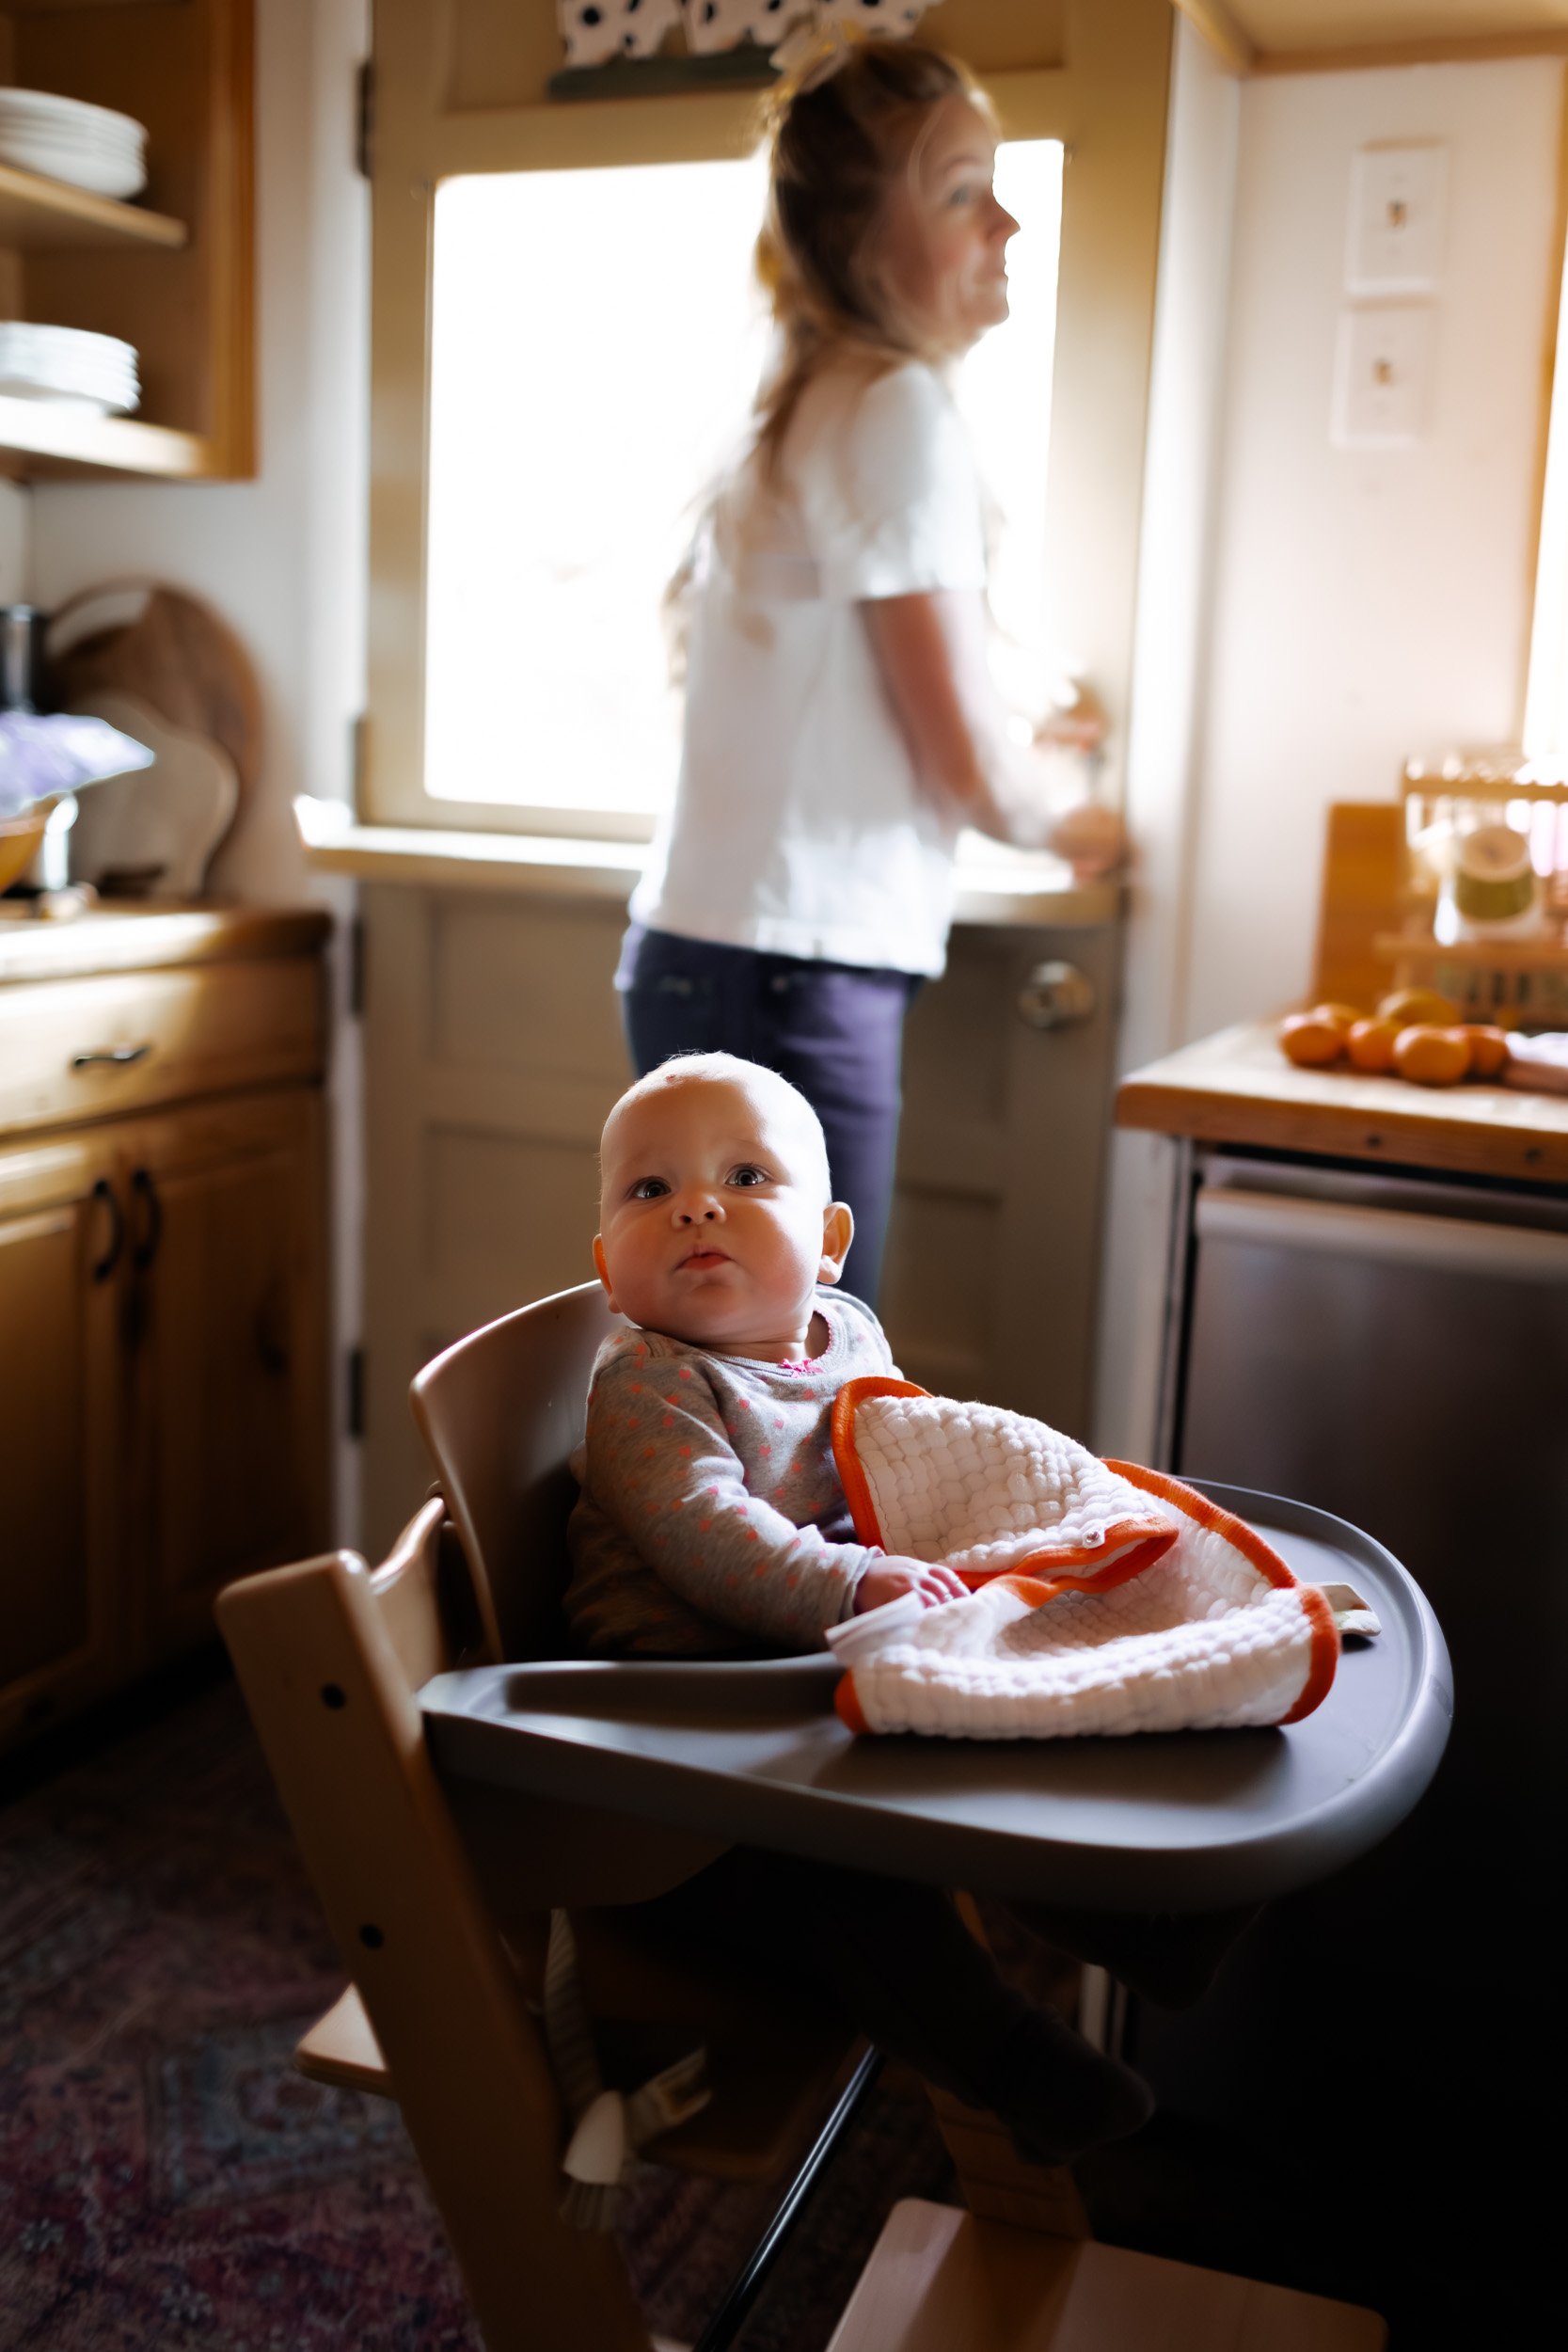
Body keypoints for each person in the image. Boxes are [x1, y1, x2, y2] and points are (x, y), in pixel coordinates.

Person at [564, 1051, 1154, 2166]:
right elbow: (706, 1533)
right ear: (608, 1266)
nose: (696, 1204)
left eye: (745, 1176)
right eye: (651, 1191)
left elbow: (906, 1454)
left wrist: (998, 1528)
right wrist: (850, 1581)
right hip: (674, 1727)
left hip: (795, 1666)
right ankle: (1009, 2060)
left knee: (1009, 1714)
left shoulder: (848, 1335)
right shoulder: (648, 1381)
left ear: (829, 1240)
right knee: (843, 1875)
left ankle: (1135, 1915)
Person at [619, 37, 1125, 1308]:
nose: (1006, 220)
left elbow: (860, 694)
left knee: (720, 1374)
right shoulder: (890, 405)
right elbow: (958, 757)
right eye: (960, 190)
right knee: (803, 1371)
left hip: (718, 946)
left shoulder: (804, 396)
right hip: (792, 968)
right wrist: (1072, 821)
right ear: (857, 233)